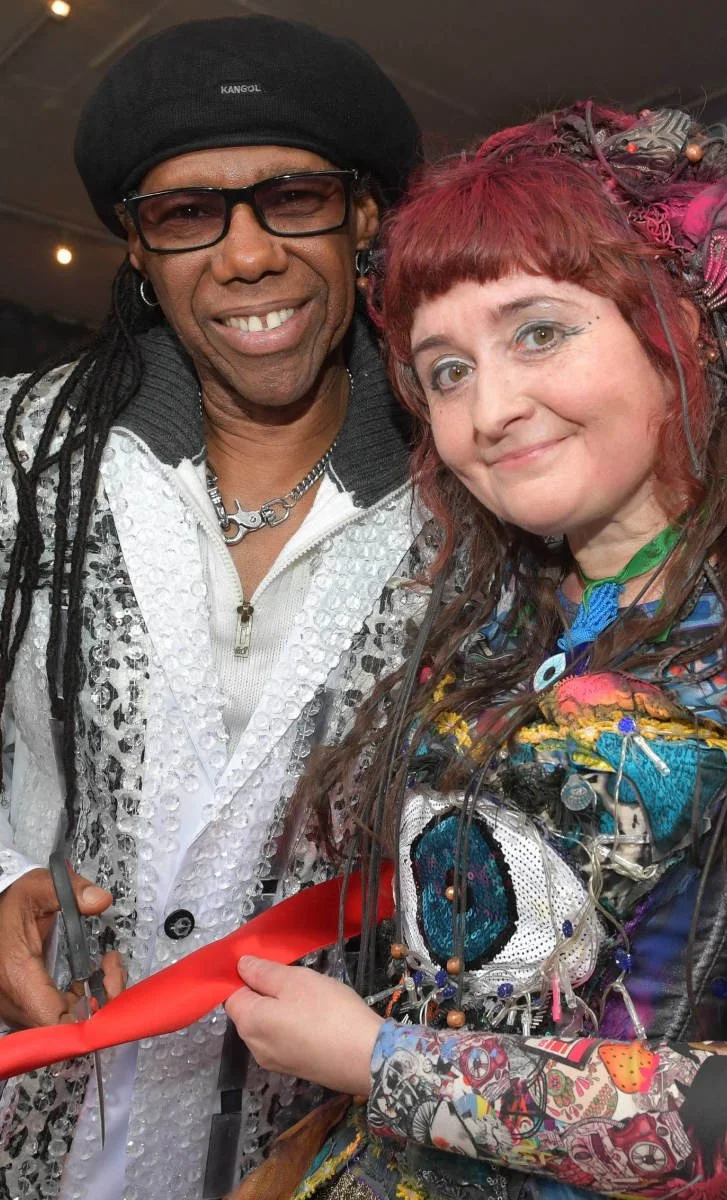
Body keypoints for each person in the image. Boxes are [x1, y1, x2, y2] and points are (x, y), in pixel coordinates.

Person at [224, 104, 727, 1199]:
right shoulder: (497, 614)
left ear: (683, 323)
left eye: (539, 332)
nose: (487, 409)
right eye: (444, 371)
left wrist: (381, 1065)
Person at [0, 15, 422, 1200]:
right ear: (137, 248)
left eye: (292, 198)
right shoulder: (23, 455)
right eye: (187, 214)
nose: (244, 257)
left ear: (364, 218)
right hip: (32, 1119)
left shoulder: (476, 508)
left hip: (304, 1153)